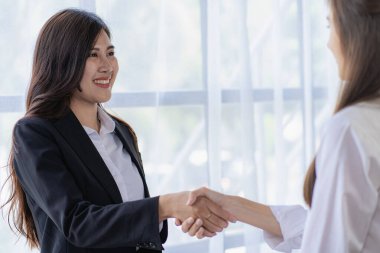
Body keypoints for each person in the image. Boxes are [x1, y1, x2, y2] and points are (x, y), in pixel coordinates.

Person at [1, 9, 234, 253]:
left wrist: (180, 213)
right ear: (63, 62)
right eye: (93, 55)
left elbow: (129, 214)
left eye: (110, 53)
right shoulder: (34, 133)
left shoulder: (121, 131)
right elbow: (77, 223)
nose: (107, 66)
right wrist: (164, 206)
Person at [178, 0, 380, 252]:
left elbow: (330, 244)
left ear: (356, 31)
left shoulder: (351, 128)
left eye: (330, 25)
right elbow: (336, 225)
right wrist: (232, 206)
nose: (328, 43)